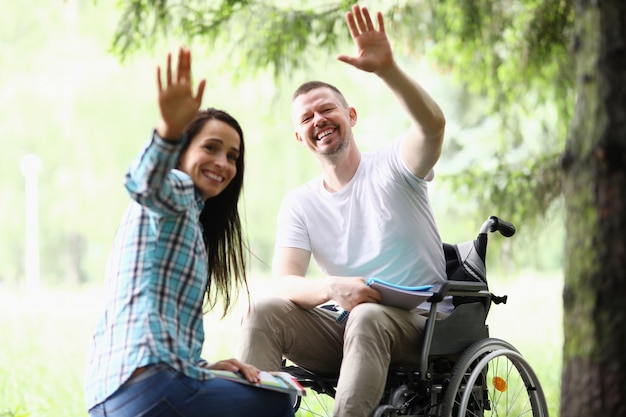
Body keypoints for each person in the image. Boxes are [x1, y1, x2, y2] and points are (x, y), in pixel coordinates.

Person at [236, 4, 448, 417]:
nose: (319, 119)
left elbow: (433, 127)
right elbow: (286, 283)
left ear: (350, 115)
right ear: (300, 136)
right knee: (261, 311)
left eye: (327, 109)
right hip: (346, 327)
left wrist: (387, 69)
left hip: (423, 327)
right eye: (307, 117)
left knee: (367, 316)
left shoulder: (395, 167)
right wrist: (333, 288)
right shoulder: (300, 202)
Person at [84, 47, 294, 417]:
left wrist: (204, 370)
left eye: (232, 157)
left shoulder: (185, 219)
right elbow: (141, 183)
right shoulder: (175, 189)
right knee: (278, 400)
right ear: (181, 152)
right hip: (147, 386)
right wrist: (167, 130)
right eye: (211, 148)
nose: (223, 163)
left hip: (113, 396)